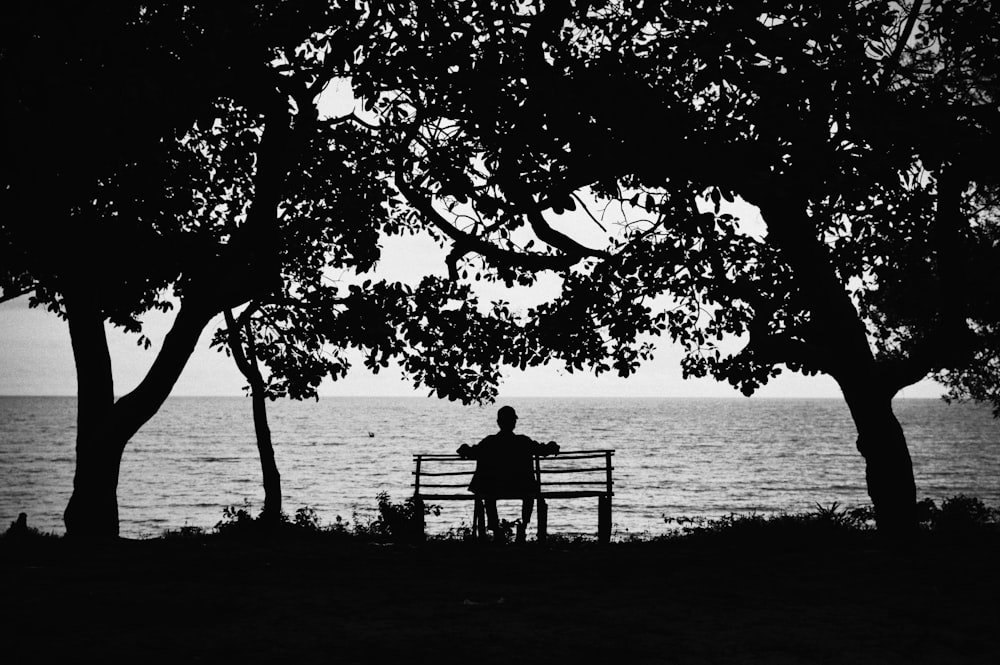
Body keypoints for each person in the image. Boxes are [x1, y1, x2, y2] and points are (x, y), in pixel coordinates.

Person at [456, 406, 559, 542]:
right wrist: (552, 446)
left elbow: (471, 452)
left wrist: (465, 449)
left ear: (498, 422)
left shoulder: (490, 442)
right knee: (530, 494)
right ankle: (523, 526)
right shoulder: (523, 441)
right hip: (522, 487)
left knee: (488, 495)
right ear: (514, 423)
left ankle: (495, 528)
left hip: (494, 487)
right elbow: (543, 450)